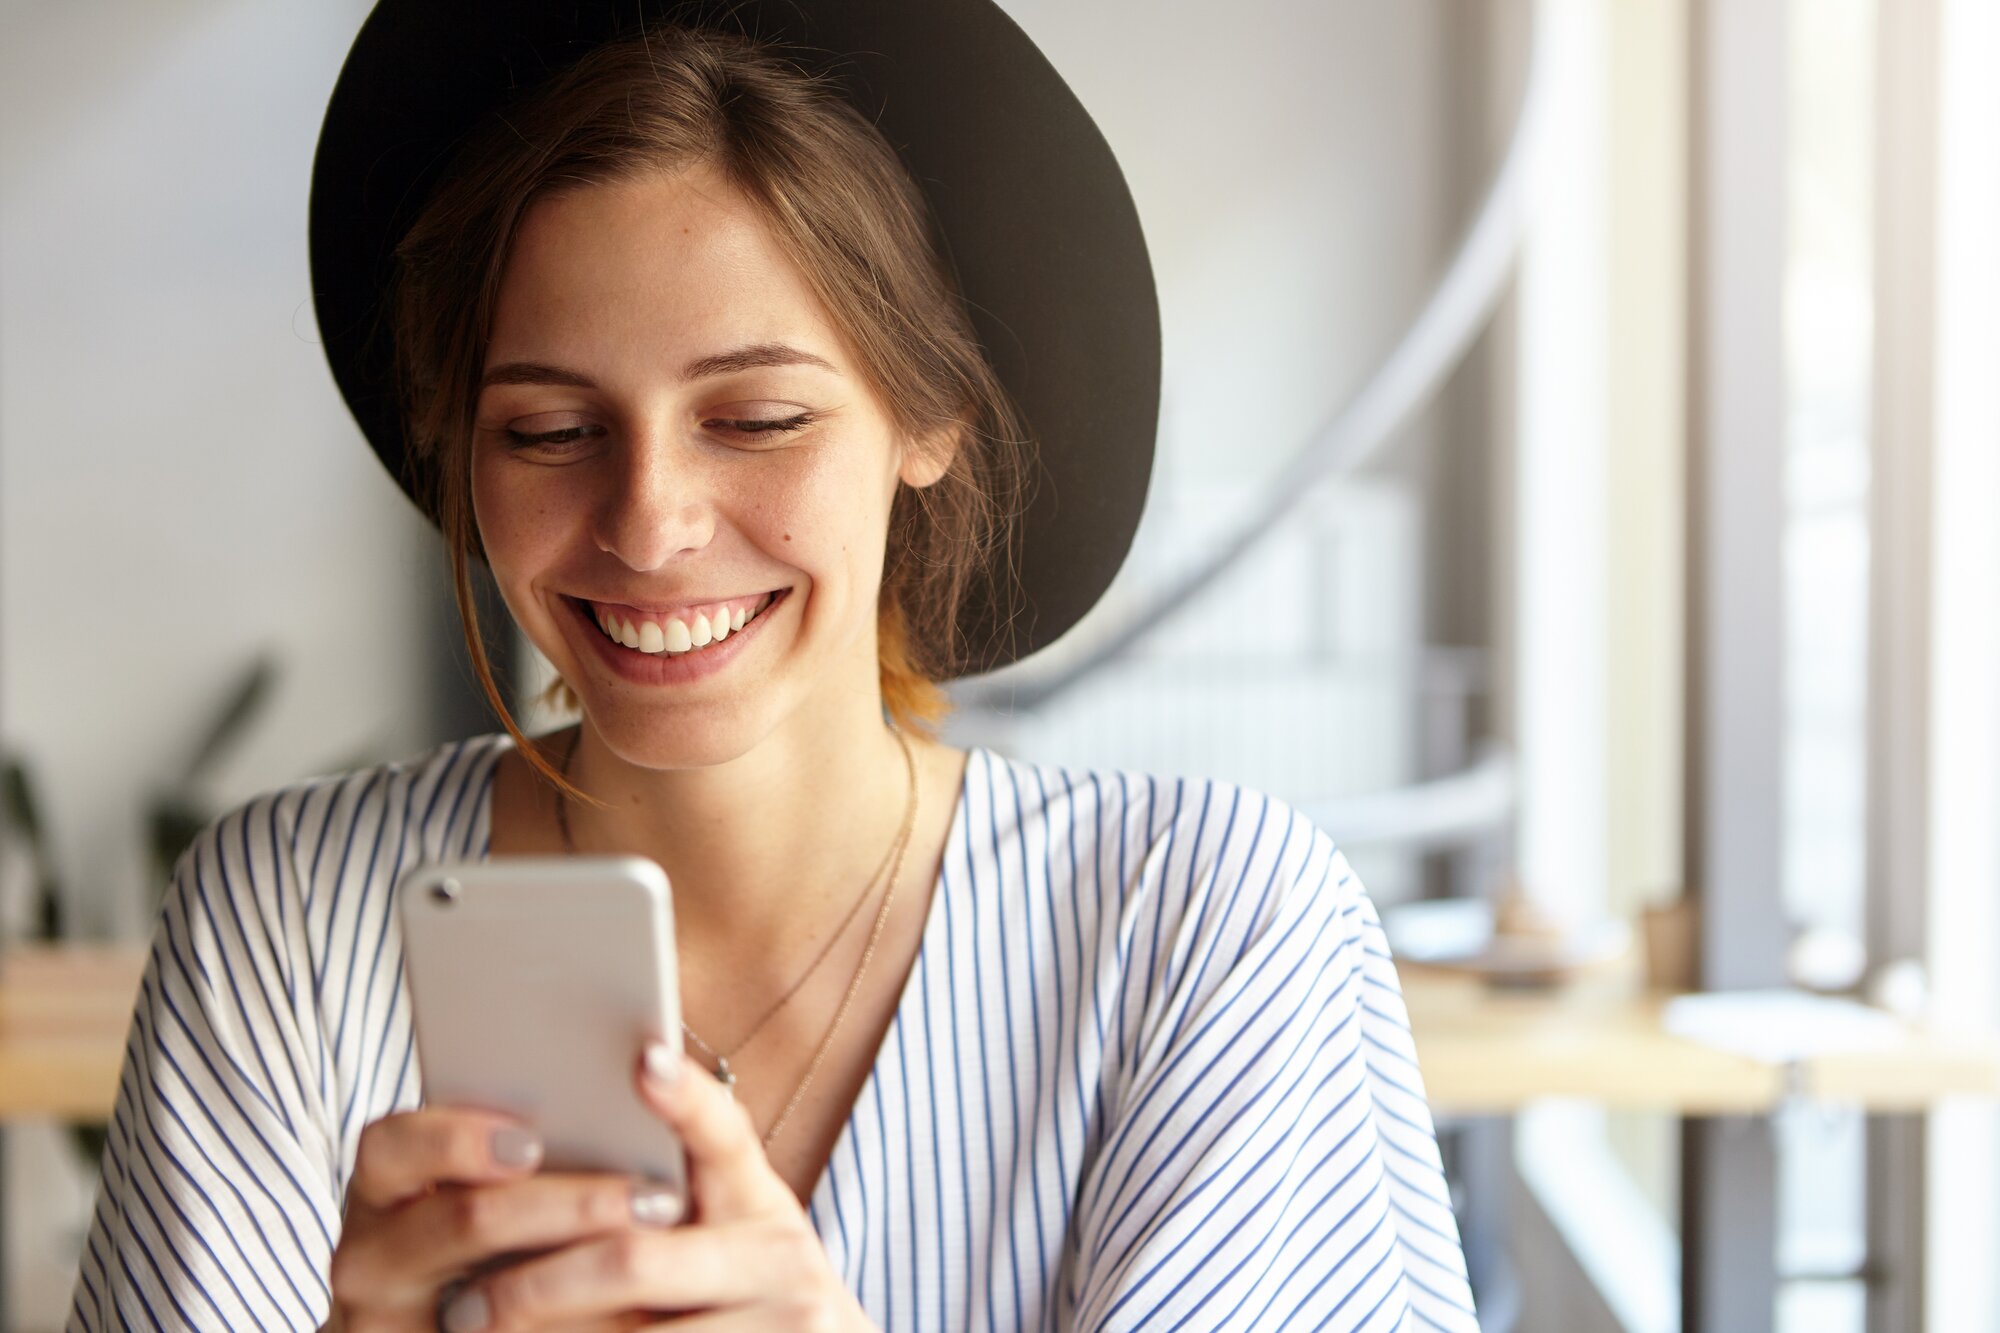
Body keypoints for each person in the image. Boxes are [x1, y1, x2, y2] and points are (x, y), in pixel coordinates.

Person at [69, 2, 1478, 1329]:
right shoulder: (285, 936)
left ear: (928, 417)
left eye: (753, 416)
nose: (649, 521)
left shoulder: (1202, 931)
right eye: (551, 432)